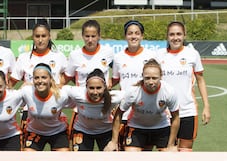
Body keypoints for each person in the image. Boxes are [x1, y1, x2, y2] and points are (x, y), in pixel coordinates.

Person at [156, 21, 211, 152]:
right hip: (165, 113)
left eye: (179, 34)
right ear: (167, 36)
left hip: (188, 111)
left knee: (185, 152)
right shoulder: (158, 55)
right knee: (166, 152)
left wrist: (207, 107)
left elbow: (200, 80)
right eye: (172, 34)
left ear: (184, 35)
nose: (175, 38)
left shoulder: (192, 54)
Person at [104, 59, 180, 152]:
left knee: (170, 156)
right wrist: (113, 141)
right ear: (142, 76)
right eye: (147, 78)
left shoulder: (169, 92)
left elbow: (176, 117)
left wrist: (171, 144)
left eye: (154, 78)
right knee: (132, 157)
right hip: (137, 127)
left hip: (161, 127)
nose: (151, 82)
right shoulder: (133, 91)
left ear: (161, 77)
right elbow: (119, 114)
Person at [9, 21, 68, 133]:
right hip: (30, 111)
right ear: (33, 37)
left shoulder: (59, 57)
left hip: (54, 109)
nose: (40, 40)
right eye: (37, 36)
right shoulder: (24, 58)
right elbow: (10, 84)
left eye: (44, 36)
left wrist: (58, 86)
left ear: (49, 36)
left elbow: (69, 78)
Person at [111, 20, 157, 149]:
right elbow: (115, 80)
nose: (133, 36)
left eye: (137, 33)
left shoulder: (151, 56)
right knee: (124, 151)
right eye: (130, 33)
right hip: (124, 112)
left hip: (145, 111)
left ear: (142, 36)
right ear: (125, 36)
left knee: (145, 153)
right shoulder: (118, 57)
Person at [62, 68, 123, 151]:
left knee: (111, 160)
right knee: (80, 160)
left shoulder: (114, 97)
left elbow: (131, 96)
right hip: (82, 130)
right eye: (91, 88)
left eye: (98, 88)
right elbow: (63, 89)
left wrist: (114, 142)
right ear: (86, 87)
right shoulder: (78, 94)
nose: (95, 92)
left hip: (106, 131)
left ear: (105, 87)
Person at [22, 63, 70, 151]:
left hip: (58, 132)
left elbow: (80, 101)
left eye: (44, 77)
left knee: (64, 158)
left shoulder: (61, 95)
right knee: (27, 157)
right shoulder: (26, 92)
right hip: (34, 131)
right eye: (36, 78)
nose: (40, 81)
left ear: (51, 79)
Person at [64, 19, 113, 88]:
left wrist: (110, 82)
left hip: (102, 97)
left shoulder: (108, 52)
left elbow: (119, 71)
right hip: (82, 97)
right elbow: (67, 77)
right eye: (87, 36)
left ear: (99, 36)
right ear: (82, 36)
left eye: (93, 36)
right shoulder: (74, 55)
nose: (90, 40)